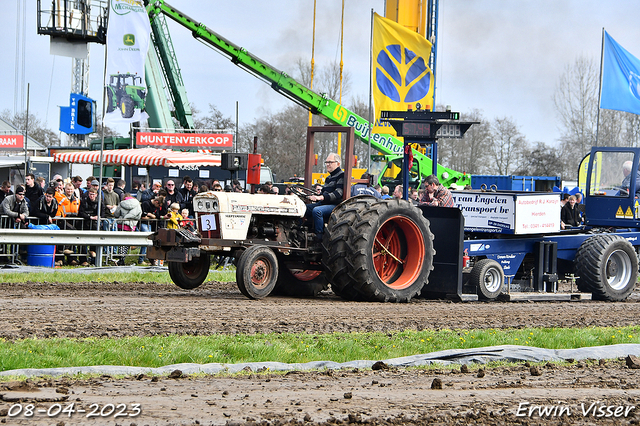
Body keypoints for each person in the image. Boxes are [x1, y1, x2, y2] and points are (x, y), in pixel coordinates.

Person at [304, 153, 344, 240]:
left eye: (330, 162)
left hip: (335, 205)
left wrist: (321, 197)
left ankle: (319, 236)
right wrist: (314, 196)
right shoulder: (328, 178)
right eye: (326, 162)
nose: (327, 164)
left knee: (317, 211)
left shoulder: (341, 175)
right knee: (303, 208)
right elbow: (323, 193)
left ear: (338, 163)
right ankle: (301, 231)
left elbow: (338, 193)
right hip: (324, 203)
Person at [112, 193, 142, 265]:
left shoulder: (122, 203)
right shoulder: (137, 204)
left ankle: (121, 258)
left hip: (121, 224)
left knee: (121, 243)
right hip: (131, 225)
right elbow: (139, 215)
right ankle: (123, 258)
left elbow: (116, 214)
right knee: (127, 243)